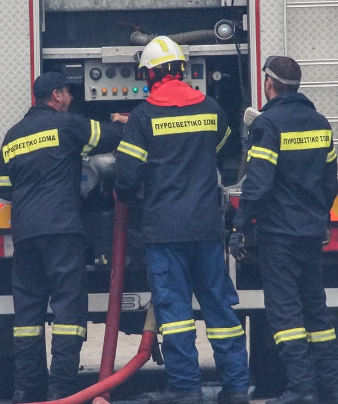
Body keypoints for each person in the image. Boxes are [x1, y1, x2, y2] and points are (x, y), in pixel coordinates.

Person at [114, 36, 250, 404]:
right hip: (206, 228)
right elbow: (225, 149)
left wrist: (125, 195)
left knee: (174, 313)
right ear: (182, 70)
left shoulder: (143, 117)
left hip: (164, 230)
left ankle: (186, 389)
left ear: (152, 74)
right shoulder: (210, 107)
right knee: (219, 308)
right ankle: (237, 387)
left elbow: (126, 178)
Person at [0, 71, 124, 402]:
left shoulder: (13, 135)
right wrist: (122, 121)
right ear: (55, 96)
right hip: (62, 231)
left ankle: (27, 389)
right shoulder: (67, 126)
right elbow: (106, 138)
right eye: (68, 92)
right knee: (68, 313)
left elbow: (1, 187)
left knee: (27, 316)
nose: (71, 98)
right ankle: (62, 388)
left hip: (25, 234)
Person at [230, 55, 338, 404]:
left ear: (269, 84)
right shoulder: (320, 123)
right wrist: (320, 217)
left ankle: (301, 390)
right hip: (310, 233)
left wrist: (239, 223)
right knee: (317, 312)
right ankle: (332, 391)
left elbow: (259, 183)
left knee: (286, 314)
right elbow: (330, 184)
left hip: (279, 235)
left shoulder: (268, 125)